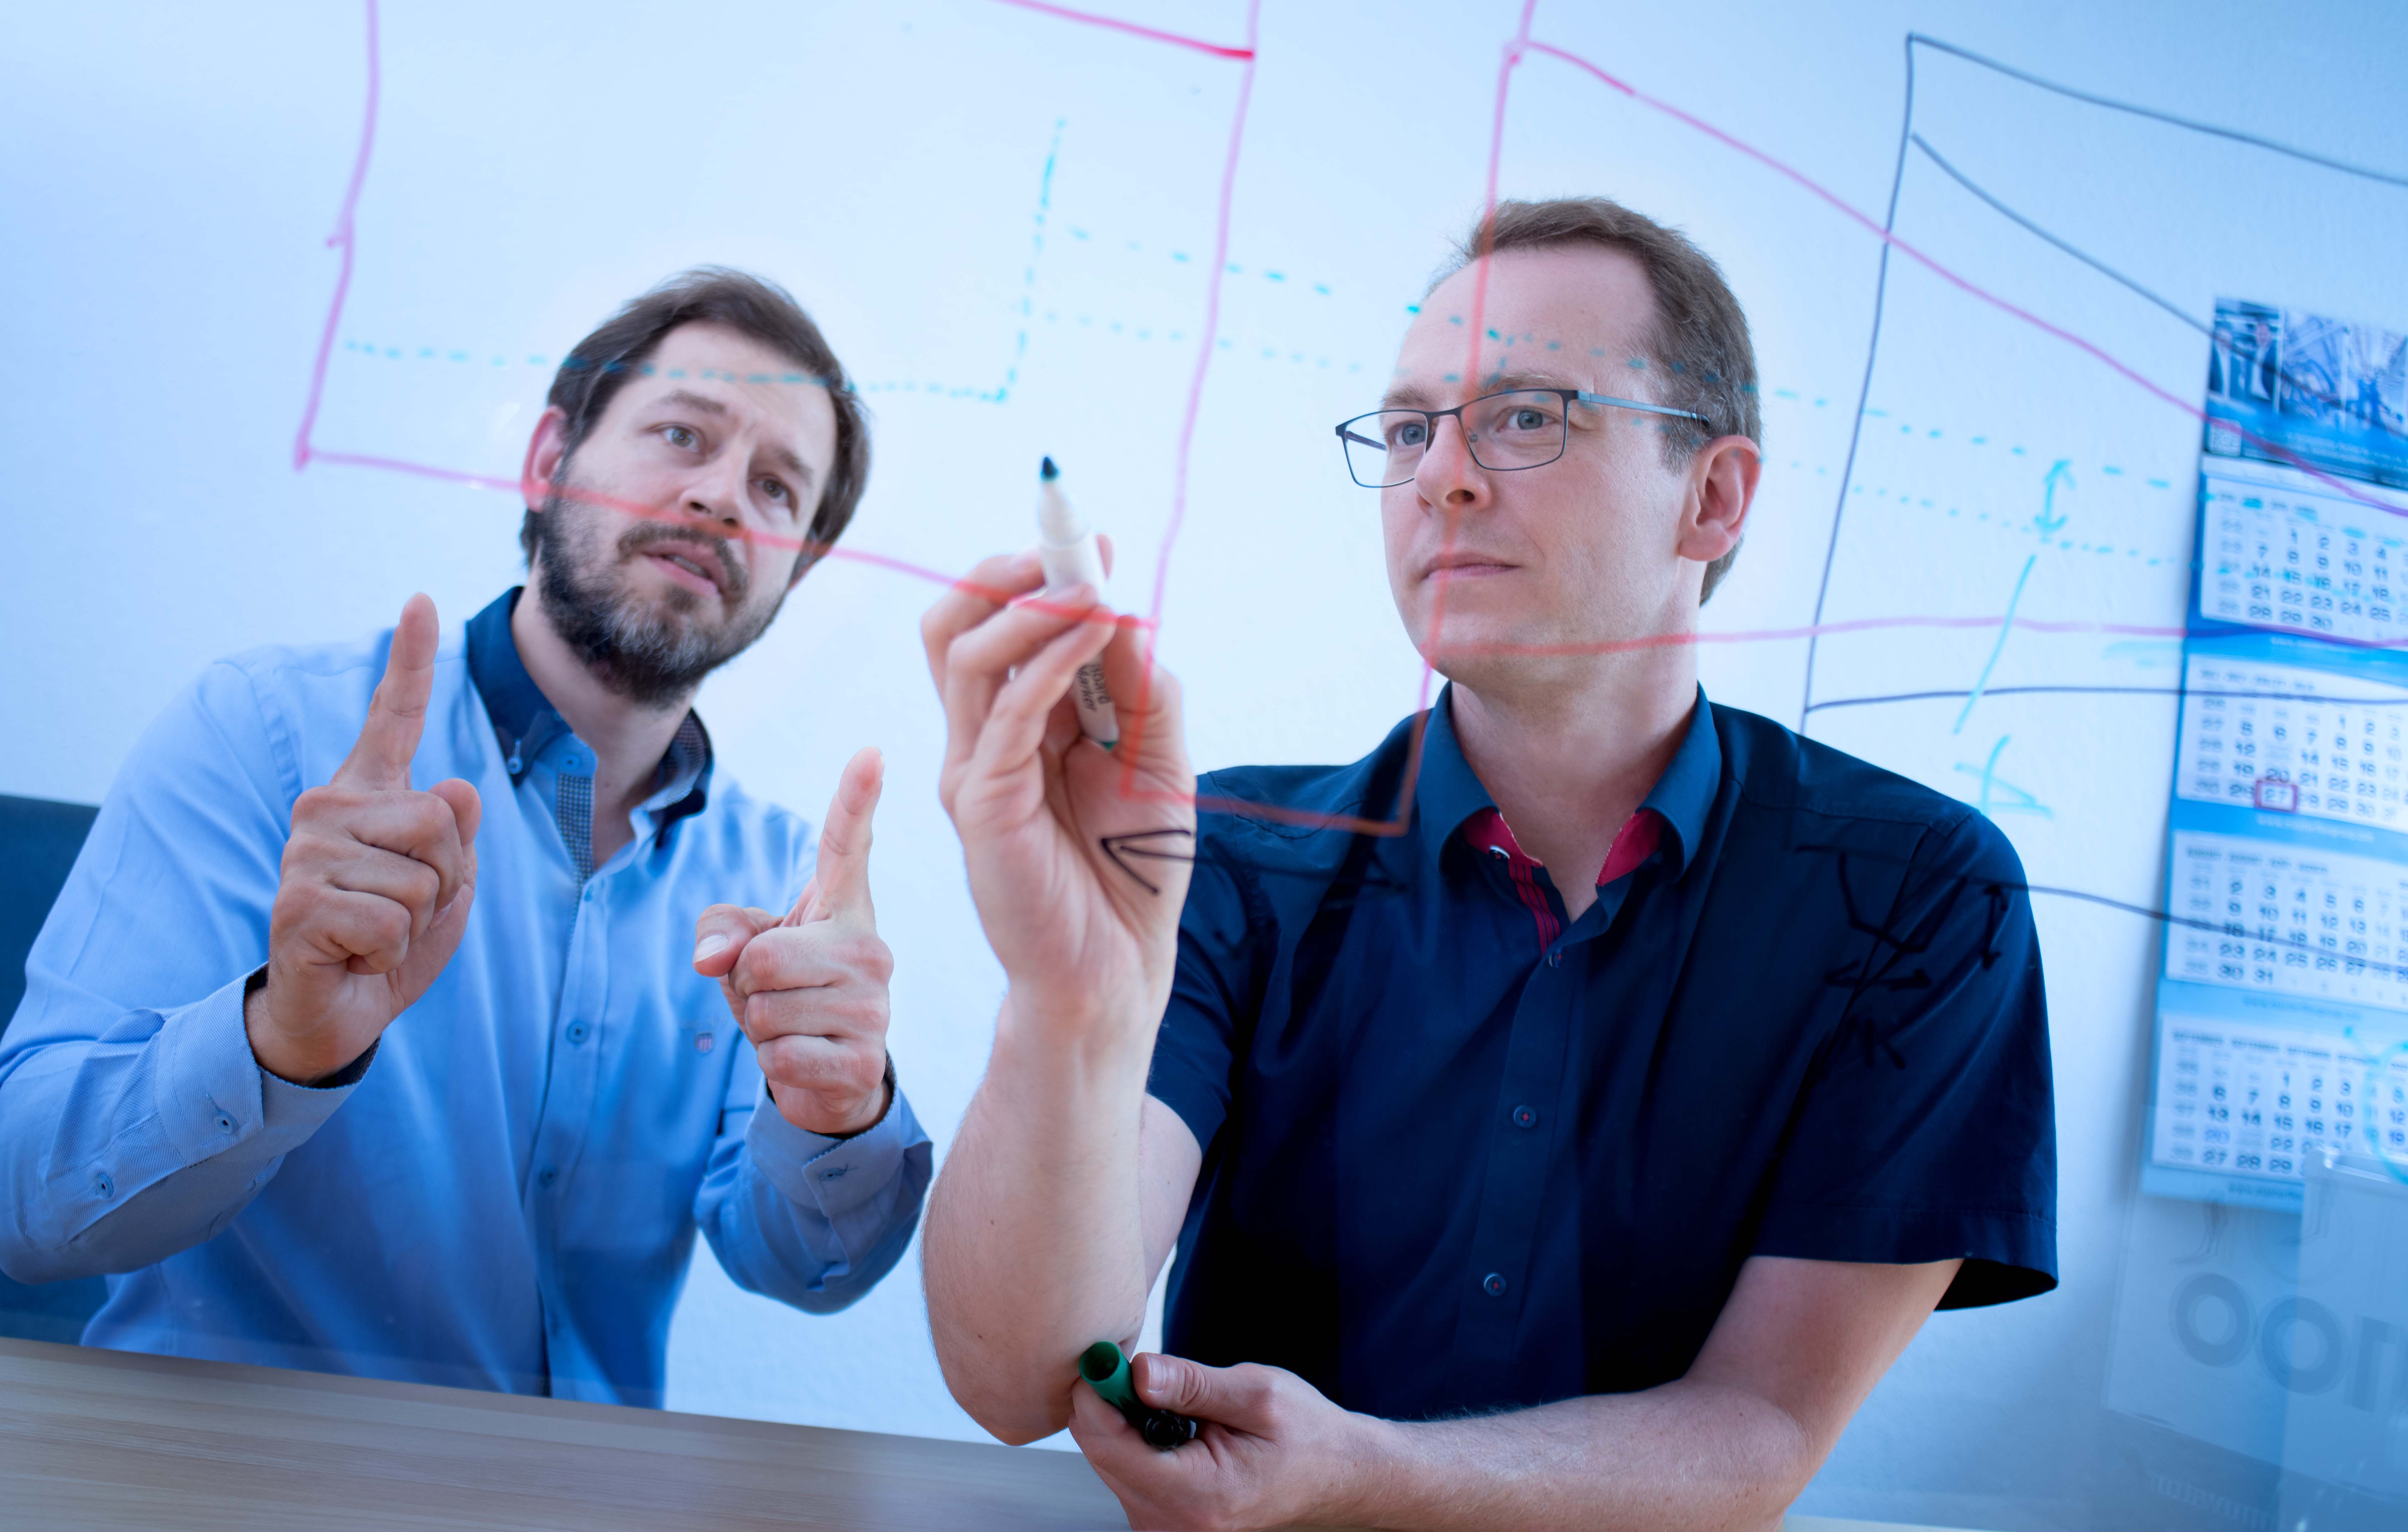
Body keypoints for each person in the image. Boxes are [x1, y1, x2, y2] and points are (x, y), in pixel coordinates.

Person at [918, 198, 2056, 1530]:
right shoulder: (1223, 861)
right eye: (1409, 429)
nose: (1440, 478)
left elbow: (1759, 1430)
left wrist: (1365, 1482)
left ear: (1713, 494)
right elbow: (1013, 1382)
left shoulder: (1921, 897)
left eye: (1524, 415)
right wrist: (1067, 1009)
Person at [0, 269, 932, 1407]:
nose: (723, 498)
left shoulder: (780, 878)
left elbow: (803, 1266)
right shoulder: (265, 734)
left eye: (778, 488)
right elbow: (21, 1205)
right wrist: (274, 1043)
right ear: (550, 460)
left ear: (800, 565)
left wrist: (842, 1110)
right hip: (229, 1484)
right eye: (681, 433)